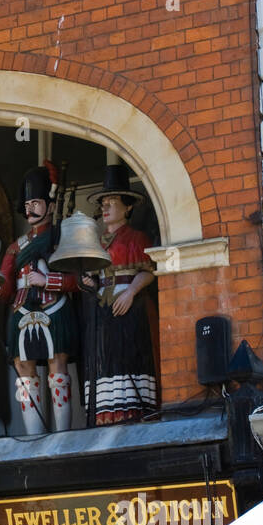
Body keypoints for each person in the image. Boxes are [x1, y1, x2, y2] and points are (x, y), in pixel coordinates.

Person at [0, 163, 77, 434]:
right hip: (21, 310)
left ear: (50, 205)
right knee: (23, 368)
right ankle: (34, 436)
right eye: (28, 203)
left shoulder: (62, 238)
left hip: (54, 306)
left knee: (58, 365)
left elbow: (79, 280)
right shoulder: (15, 246)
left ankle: (63, 435)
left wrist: (49, 281)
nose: (31, 208)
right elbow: (5, 284)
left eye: (37, 202)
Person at [82, 164, 157, 425]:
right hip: (103, 310)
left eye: (112, 202)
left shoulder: (137, 239)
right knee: (104, 359)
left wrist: (131, 292)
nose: (105, 207)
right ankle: (105, 414)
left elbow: (149, 271)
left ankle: (131, 411)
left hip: (129, 309)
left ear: (127, 207)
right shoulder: (95, 242)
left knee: (128, 357)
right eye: (103, 202)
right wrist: (89, 283)